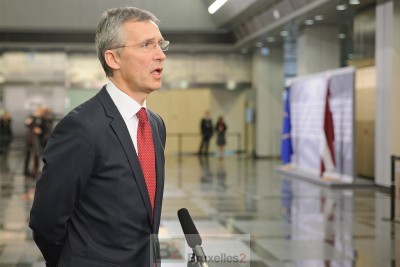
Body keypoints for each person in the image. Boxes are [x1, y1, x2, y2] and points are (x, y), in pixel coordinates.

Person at [29, 7, 167, 267]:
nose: (160, 55)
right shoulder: (81, 127)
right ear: (113, 59)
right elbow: (46, 220)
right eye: (147, 45)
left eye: (161, 44)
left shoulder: (155, 125)